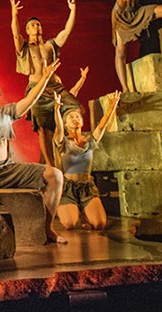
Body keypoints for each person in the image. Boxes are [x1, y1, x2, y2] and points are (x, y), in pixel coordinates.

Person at [0, 59, 68, 244]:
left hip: (8, 170)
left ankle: (48, 229)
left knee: (55, 176)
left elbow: (29, 100)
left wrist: (44, 78)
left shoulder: (6, 112)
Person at [10, 0, 82, 167]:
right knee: (43, 129)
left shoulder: (50, 45)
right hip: (37, 89)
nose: (37, 26)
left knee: (75, 109)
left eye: (38, 24)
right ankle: (50, 165)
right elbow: (15, 35)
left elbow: (66, 32)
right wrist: (14, 14)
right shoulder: (25, 48)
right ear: (28, 30)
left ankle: (68, 155)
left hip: (55, 87)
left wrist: (73, 10)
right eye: (33, 25)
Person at [54, 91, 121, 231]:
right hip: (68, 188)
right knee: (70, 224)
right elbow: (59, 128)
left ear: (82, 121)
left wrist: (112, 106)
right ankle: (75, 211)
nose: (75, 119)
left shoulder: (89, 141)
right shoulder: (63, 142)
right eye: (71, 117)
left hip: (87, 188)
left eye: (77, 116)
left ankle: (85, 212)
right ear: (65, 124)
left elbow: (102, 126)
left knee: (99, 224)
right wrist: (57, 110)